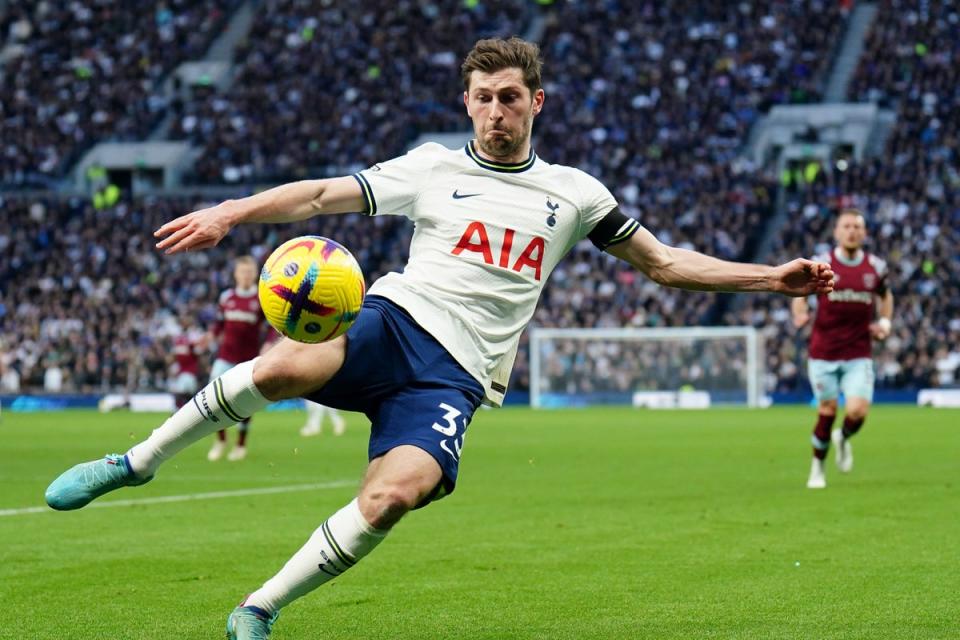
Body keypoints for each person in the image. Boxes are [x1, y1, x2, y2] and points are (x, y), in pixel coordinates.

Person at [44, 37, 834, 639]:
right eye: (484, 97)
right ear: (466, 103)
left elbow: (663, 264)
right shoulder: (427, 170)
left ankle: (260, 605)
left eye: (511, 98)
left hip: (454, 379)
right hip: (392, 321)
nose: (497, 111)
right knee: (284, 365)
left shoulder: (577, 194)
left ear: (538, 104)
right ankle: (137, 462)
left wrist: (772, 278)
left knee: (393, 496)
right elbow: (321, 195)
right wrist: (230, 212)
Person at [791, 208, 893, 489]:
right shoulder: (823, 264)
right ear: (837, 232)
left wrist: (884, 322)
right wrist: (799, 312)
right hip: (823, 352)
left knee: (858, 412)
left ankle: (843, 437)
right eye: (846, 226)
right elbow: (799, 292)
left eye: (857, 226)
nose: (851, 231)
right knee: (827, 409)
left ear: (864, 233)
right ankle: (817, 467)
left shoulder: (876, 267)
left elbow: (885, 296)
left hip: (859, 351)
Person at [206, 256, 269, 462]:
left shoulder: (260, 298)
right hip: (225, 356)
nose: (246, 276)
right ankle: (220, 440)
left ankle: (240, 444)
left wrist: (268, 343)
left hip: (248, 359)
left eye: (250, 272)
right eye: (242, 271)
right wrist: (210, 337)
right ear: (235, 274)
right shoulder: (226, 297)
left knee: (245, 402)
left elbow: (270, 326)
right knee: (213, 398)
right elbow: (218, 324)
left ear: (255, 274)